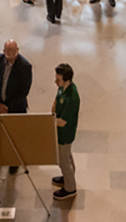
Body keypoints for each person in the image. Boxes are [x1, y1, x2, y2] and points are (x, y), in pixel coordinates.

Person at [0, 40, 33, 174]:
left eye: (13, 52)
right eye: (8, 52)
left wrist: (6, 107)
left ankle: (14, 161)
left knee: (15, 135)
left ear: (17, 51)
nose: (10, 55)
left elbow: (23, 91)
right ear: (3, 51)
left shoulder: (24, 66)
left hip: (15, 107)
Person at [52, 63, 81, 201]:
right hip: (60, 131)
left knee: (63, 160)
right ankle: (68, 176)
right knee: (66, 156)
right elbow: (56, 101)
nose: (55, 82)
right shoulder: (63, 88)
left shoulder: (72, 98)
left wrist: (48, 122)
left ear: (67, 80)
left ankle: (70, 188)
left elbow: (63, 122)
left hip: (65, 133)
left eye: (58, 80)